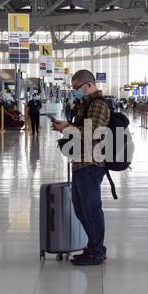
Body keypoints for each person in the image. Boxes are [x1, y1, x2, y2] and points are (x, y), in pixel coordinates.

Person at [51, 70, 110, 266]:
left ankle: (97, 251)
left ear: (88, 85)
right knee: (80, 209)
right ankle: (94, 247)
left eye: (76, 88)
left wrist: (66, 128)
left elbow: (93, 132)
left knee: (91, 209)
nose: (74, 91)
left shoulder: (98, 104)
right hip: (80, 162)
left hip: (91, 164)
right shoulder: (86, 104)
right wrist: (67, 125)